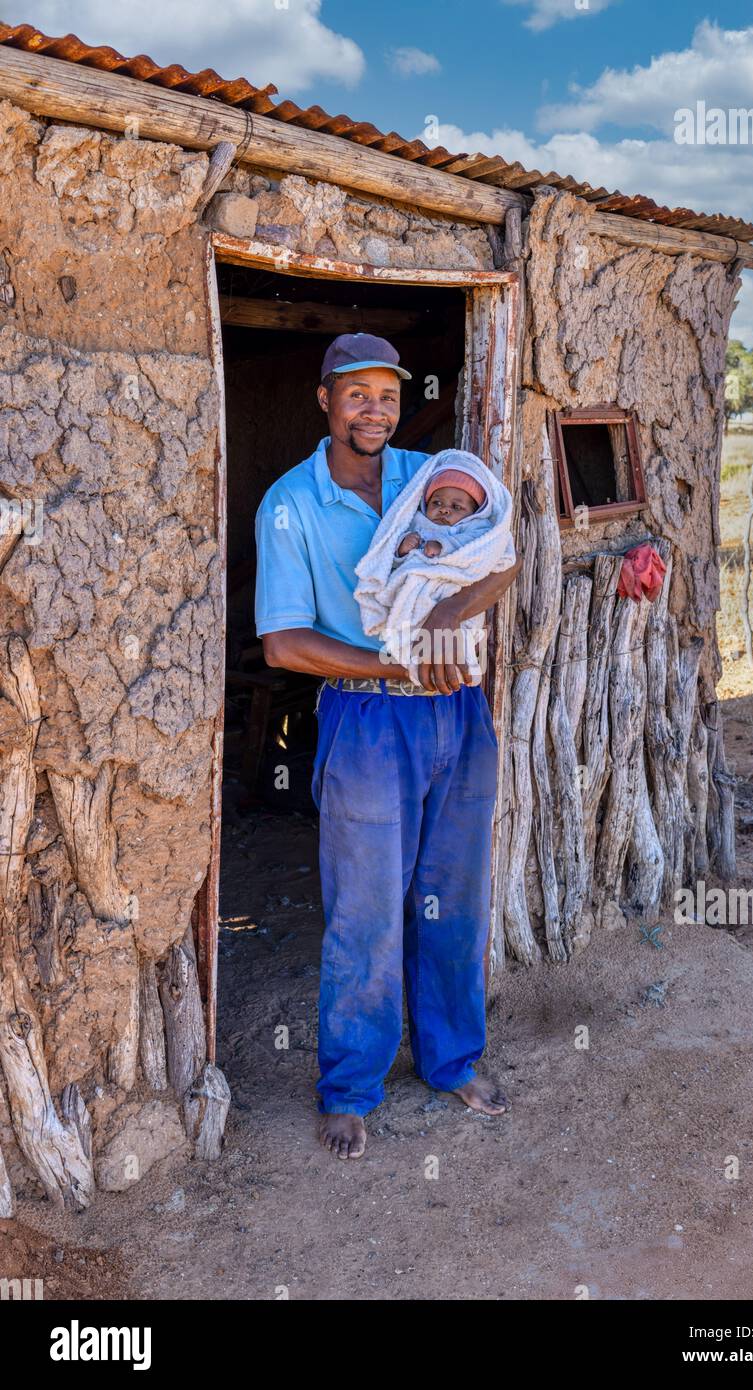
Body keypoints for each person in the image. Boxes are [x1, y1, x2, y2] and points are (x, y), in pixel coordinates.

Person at [254, 332, 521, 1159]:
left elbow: (502, 554)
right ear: (325, 400)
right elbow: (284, 644)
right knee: (365, 908)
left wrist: (442, 622)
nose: (375, 410)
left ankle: (450, 1060)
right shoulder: (290, 504)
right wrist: (394, 661)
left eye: (388, 395)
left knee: (454, 892)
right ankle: (350, 1085)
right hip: (367, 716)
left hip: (456, 709)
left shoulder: (427, 474)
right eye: (357, 394)